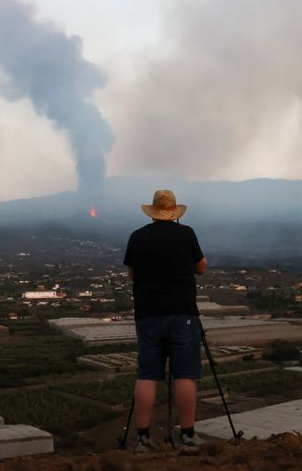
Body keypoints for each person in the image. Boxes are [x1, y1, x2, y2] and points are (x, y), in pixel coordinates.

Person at [124, 189, 208, 455]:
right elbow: (201, 267)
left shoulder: (137, 237)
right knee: (185, 373)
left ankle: (143, 438)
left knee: (147, 374)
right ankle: (187, 436)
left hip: (147, 314)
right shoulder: (186, 233)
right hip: (182, 312)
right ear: (173, 213)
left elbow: (132, 274)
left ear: (152, 212)